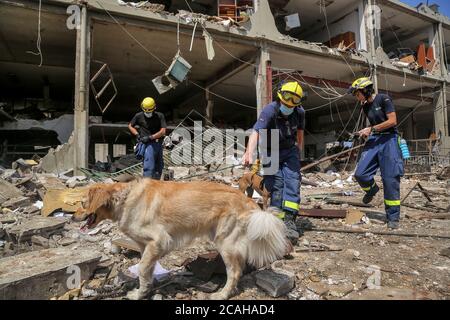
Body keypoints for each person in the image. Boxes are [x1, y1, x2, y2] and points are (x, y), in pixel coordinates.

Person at [242, 81, 305, 245]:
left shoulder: (300, 112)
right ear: (280, 98)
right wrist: (249, 152)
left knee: (292, 180)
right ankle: (277, 219)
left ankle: (290, 220)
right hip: (270, 150)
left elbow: (300, 133)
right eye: (285, 104)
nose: (288, 108)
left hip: (290, 149)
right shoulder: (270, 110)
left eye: (291, 106)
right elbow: (256, 132)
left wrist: (299, 152)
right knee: (275, 185)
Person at [348, 77, 404, 229]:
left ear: (365, 90)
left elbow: (392, 121)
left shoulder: (384, 99)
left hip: (389, 141)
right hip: (375, 140)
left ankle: (393, 217)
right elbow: (374, 125)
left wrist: (371, 129)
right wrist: (366, 132)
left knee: (390, 179)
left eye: (357, 93)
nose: (356, 96)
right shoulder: (365, 106)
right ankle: (372, 189)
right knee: (360, 174)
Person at [128, 97, 167, 179]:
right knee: (149, 167)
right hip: (147, 145)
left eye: (149, 111)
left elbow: (163, 131)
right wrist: (137, 134)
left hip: (158, 143)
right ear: (142, 108)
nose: (147, 113)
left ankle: (156, 186)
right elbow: (130, 126)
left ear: (154, 108)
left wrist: (150, 137)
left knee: (159, 167)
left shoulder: (160, 116)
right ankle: (147, 185)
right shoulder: (138, 116)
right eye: (145, 111)